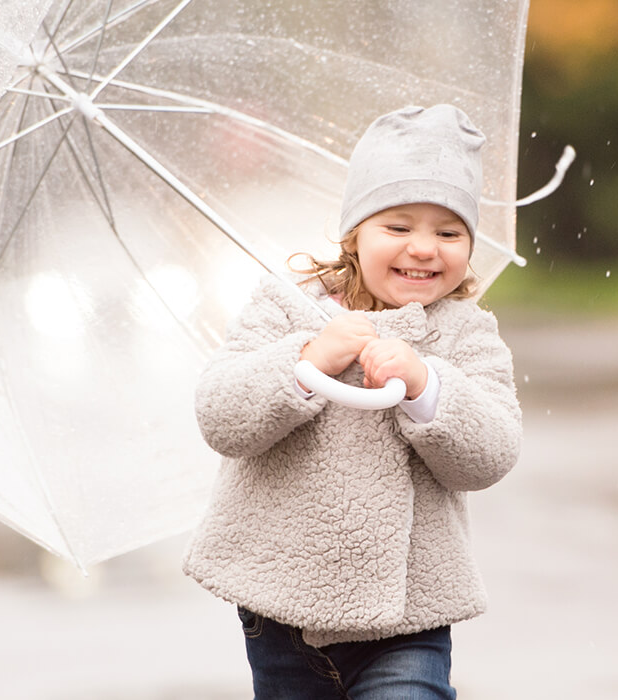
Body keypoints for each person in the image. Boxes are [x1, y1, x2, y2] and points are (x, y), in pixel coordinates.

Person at [184, 104, 523, 700]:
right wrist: (307, 360)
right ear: (354, 234)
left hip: (407, 618)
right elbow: (221, 416)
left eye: (448, 232)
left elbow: (491, 454)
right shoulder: (289, 310)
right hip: (282, 608)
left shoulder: (466, 333)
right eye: (398, 227)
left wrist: (426, 386)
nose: (424, 248)